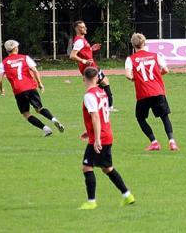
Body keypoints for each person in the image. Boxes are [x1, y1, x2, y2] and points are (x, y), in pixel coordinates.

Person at [79, 67, 135, 210]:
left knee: (87, 167)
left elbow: (96, 116)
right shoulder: (102, 93)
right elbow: (102, 115)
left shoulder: (89, 95)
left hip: (100, 137)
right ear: (97, 78)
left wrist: (96, 138)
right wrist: (89, 131)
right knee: (107, 168)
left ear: (84, 79)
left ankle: (91, 202)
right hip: (106, 133)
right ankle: (127, 195)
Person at [0, 39, 64, 136]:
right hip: (31, 87)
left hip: (18, 90)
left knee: (26, 114)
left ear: (7, 50)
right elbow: (35, 71)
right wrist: (40, 83)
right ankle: (53, 119)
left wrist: (1, 90)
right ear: (16, 48)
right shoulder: (25, 58)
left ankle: (46, 129)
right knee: (39, 108)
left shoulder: (3, 62)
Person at [125, 33, 178, 152]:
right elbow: (165, 70)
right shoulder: (155, 55)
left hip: (143, 93)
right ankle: (172, 142)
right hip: (158, 91)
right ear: (144, 43)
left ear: (133, 45)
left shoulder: (130, 59)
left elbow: (128, 75)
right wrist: (157, 76)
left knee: (140, 118)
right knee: (165, 117)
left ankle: (154, 142)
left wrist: (135, 79)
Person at [69, 20, 116, 111]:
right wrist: (84, 61)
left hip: (91, 66)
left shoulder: (81, 40)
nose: (85, 28)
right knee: (104, 82)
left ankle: (102, 105)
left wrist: (91, 49)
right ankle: (108, 106)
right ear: (77, 29)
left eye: (85, 26)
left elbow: (83, 52)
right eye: (82, 27)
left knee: (99, 84)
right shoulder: (79, 41)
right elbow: (72, 55)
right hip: (89, 67)